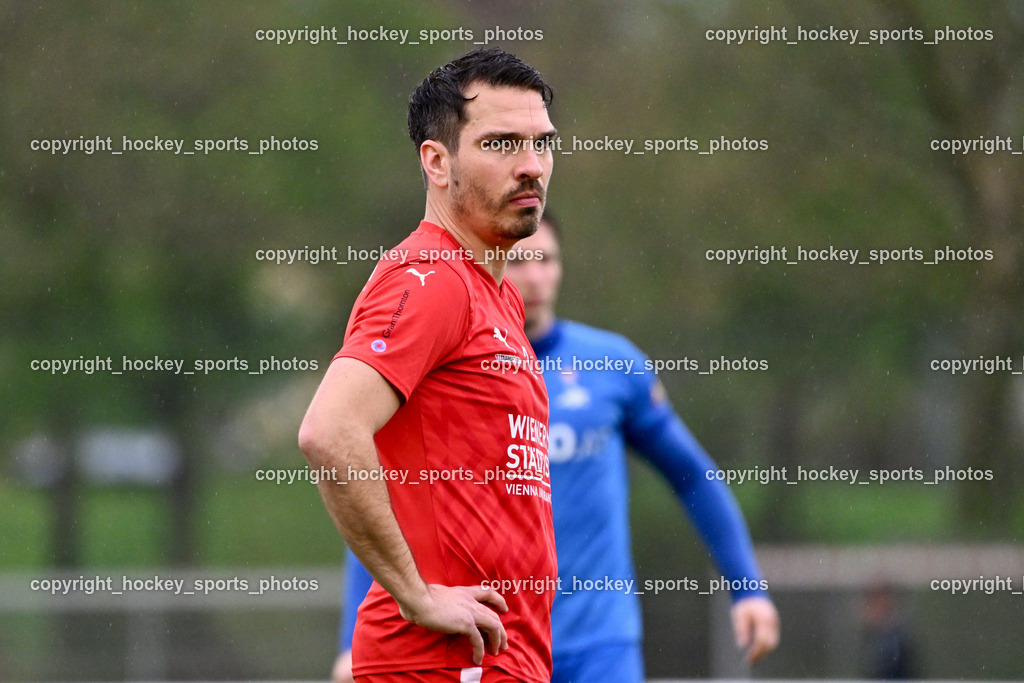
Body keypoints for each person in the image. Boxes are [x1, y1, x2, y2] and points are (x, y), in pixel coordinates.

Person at [334, 214, 781, 683]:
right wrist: (350, 639)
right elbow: (384, 499)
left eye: (546, 260)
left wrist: (747, 586)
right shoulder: (450, 367)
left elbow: (691, 474)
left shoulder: (612, 363)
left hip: (598, 642)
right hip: (491, 638)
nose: (534, 276)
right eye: (522, 261)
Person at [299, 48, 560, 682]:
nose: (531, 167)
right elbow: (329, 433)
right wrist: (415, 594)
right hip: (442, 665)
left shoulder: (494, 292)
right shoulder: (432, 278)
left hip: (498, 660)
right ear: (437, 161)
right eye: (501, 144)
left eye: (542, 143)